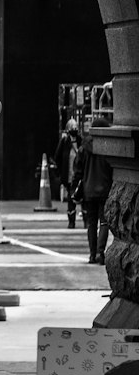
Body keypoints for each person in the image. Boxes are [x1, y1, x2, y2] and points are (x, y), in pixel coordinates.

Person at [72, 113, 113, 265]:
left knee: (91, 223)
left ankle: (91, 254)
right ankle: (100, 253)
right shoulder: (109, 147)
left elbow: (77, 170)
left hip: (88, 190)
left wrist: (74, 189)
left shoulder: (84, 148)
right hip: (105, 189)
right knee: (104, 222)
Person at [52, 116, 81, 229]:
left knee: (83, 199)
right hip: (69, 176)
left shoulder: (81, 141)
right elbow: (58, 157)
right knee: (70, 199)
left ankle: (86, 221)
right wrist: (61, 172)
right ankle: (71, 221)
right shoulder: (64, 142)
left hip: (79, 175)